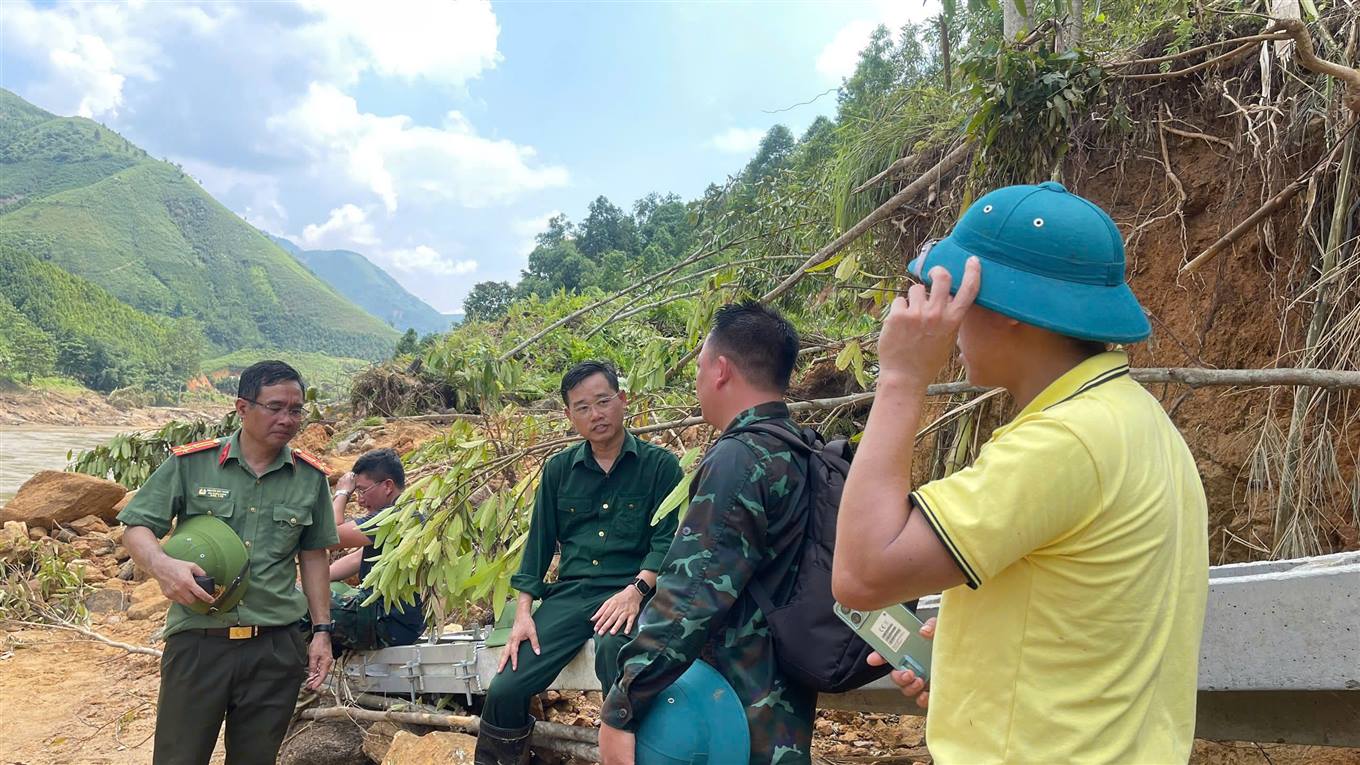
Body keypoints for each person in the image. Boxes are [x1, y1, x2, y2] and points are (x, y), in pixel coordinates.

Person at [832, 182, 1209, 763]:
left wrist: (903, 380)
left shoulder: (1061, 442)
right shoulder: (1135, 419)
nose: (945, 318)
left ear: (1009, 310)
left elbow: (861, 575)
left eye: (954, 293)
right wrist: (972, 660)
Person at [600, 302, 816, 765]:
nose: (697, 380)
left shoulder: (739, 460)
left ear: (720, 370)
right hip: (787, 695)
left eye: (699, 367)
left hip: (733, 706)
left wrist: (622, 709)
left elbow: (688, 598)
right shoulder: (802, 447)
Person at [119, 360, 340, 765]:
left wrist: (322, 631)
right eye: (275, 407)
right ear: (242, 408)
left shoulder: (309, 478)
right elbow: (136, 526)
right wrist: (162, 566)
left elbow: (313, 556)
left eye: (295, 410)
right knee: (178, 757)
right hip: (200, 641)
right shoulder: (192, 463)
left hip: (276, 645)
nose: (287, 419)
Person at [476, 360, 684, 765]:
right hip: (572, 594)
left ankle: (632, 755)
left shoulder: (660, 467)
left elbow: (667, 542)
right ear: (570, 416)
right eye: (583, 407)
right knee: (506, 686)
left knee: (614, 651)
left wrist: (636, 593)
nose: (596, 414)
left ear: (623, 401)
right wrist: (523, 613)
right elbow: (537, 547)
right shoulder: (558, 471)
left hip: (634, 588)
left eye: (603, 401)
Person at [308, 447, 424, 652]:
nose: (360, 500)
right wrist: (309, 582)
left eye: (362, 490)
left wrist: (342, 492)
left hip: (385, 621)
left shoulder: (392, 517)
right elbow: (356, 559)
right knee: (309, 594)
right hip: (397, 622)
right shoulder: (408, 511)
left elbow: (329, 536)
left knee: (299, 608)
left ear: (388, 486)